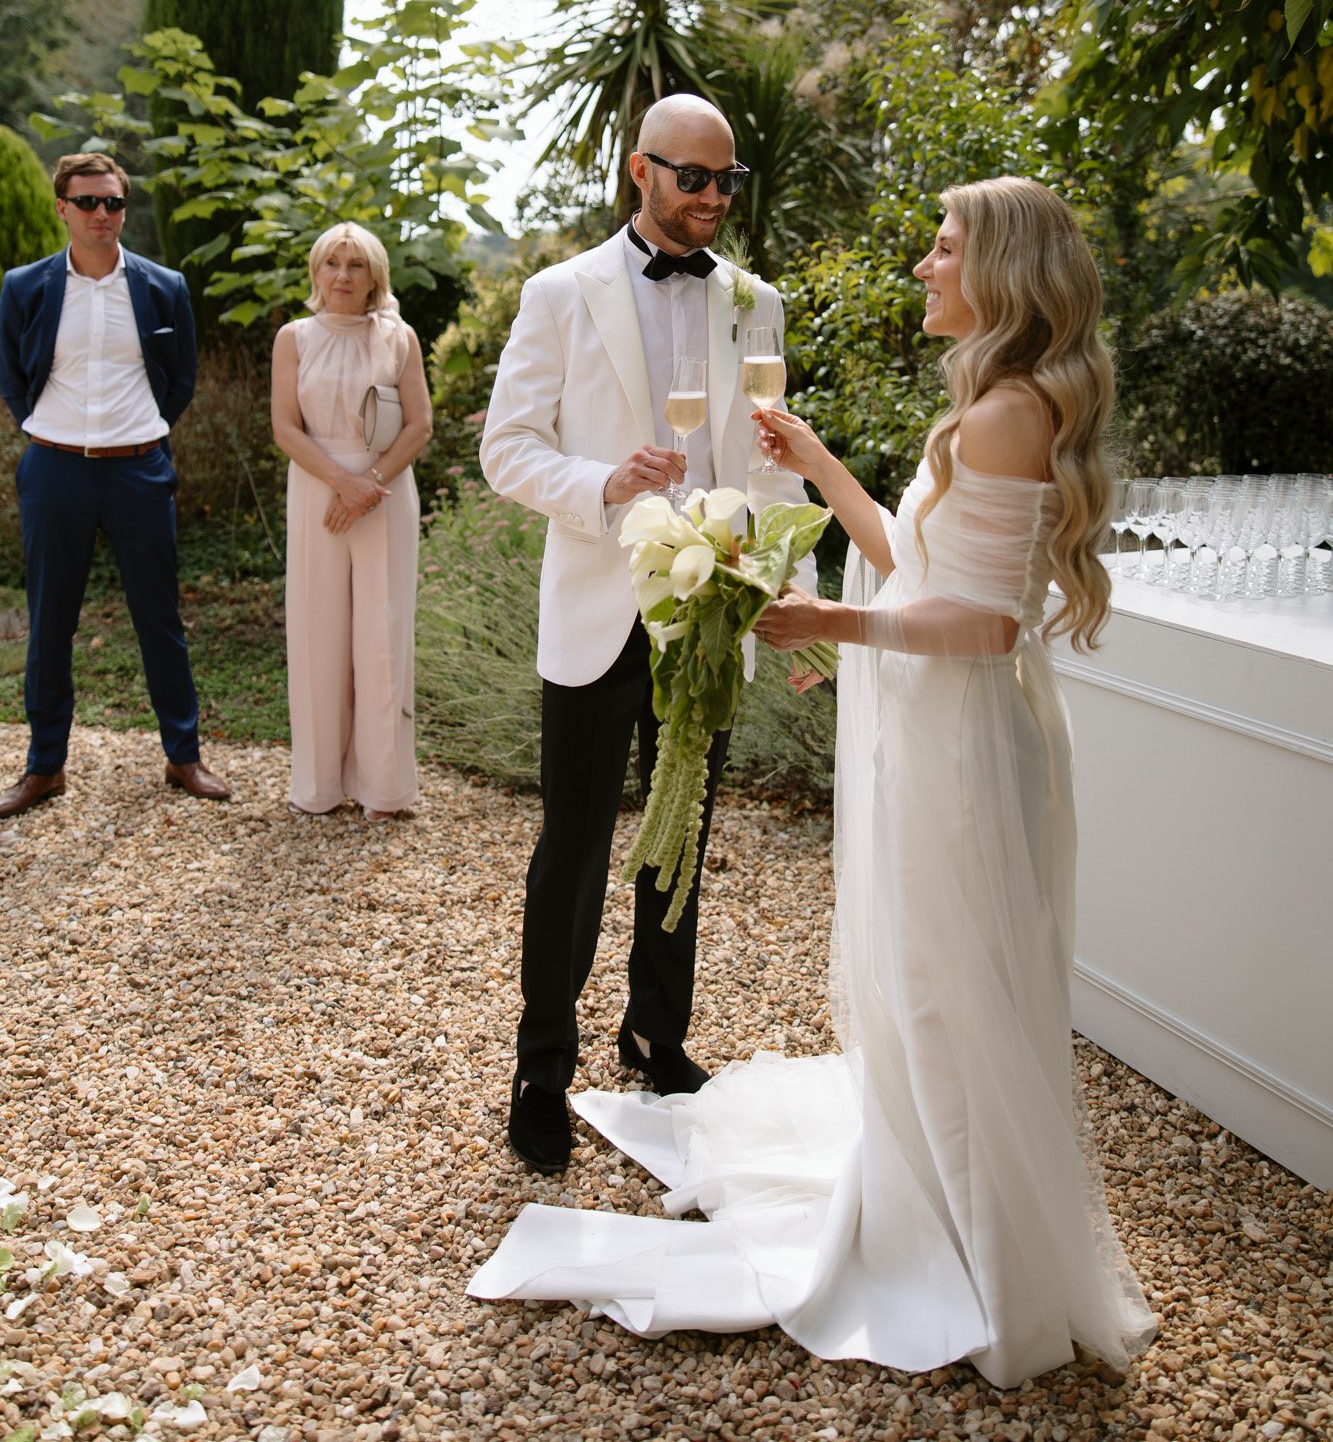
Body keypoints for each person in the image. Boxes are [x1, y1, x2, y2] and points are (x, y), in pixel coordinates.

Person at [469, 177, 1159, 1388]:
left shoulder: (1003, 411)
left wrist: (828, 620)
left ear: (996, 269)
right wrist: (815, 459)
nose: (922, 267)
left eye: (940, 249)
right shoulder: (994, 401)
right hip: (909, 718)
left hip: (957, 737)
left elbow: (986, 624)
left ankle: (981, 1262)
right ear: (643, 171)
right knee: (923, 977)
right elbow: (913, 552)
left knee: (946, 988)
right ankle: (944, 1208)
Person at [479, 94, 813, 1176]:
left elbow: (771, 462)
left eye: (728, 181)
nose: (713, 198)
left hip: (711, 617)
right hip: (597, 607)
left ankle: (656, 1034)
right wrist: (599, 482)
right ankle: (542, 1068)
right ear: (639, 171)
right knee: (571, 847)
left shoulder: (754, 301)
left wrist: (788, 593)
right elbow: (507, 446)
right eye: (692, 179)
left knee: (681, 839)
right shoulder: (558, 291)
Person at [0, 151, 227, 816]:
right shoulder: (23, 286)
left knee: (159, 618)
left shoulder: (164, 286)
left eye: (114, 203)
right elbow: (12, 372)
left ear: (124, 209)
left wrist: (149, 431)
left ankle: (183, 758)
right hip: (55, 468)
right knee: (50, 623)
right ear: (63, 208)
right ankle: (45, 768)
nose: (103, 214)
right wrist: (40, 425)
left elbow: (180, 377)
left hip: (138, 468)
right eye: (89, 202)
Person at [271, 223, 432, 821]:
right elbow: (285, 427)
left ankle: (384, 789)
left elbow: (419, 425)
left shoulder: (399, 337)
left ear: (374, 277)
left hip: (385, 496)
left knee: (382, 635)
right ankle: (317, 785)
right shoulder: (294, 338)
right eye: (332, 263)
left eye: (356, 265)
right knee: (318, 632)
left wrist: (371, 485)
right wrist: (342, 483)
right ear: (316, 272)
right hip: (317, 493)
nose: (343, 275)